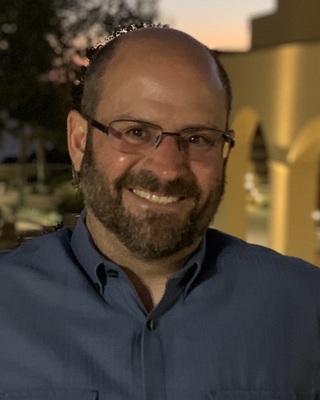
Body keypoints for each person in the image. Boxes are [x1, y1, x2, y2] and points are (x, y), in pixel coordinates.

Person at [0, 24, 319, 399]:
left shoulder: (304, 307)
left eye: (198, 138)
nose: (168, 169)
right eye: (136, 132)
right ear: (79, 141)